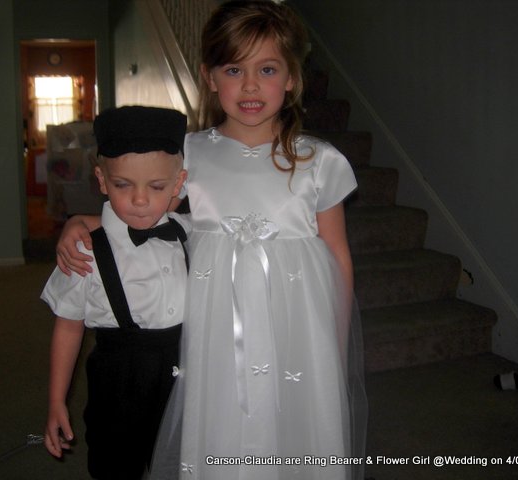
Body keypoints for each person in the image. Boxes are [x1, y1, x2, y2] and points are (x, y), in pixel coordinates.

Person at [56, 2, 368, 479]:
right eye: (232, 69)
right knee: (221, 422)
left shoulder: (320, 162)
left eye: (266, 69)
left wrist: (333, 340)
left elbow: (337, 256)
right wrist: (82, 221)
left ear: (290, 78)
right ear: (208, 76)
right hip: (216, 330)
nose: (248, 85)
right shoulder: (190, 154)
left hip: (294, 328)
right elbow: (145, 207)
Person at [41, 105, 189, 480]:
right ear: (102, 181)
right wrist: (56, 399)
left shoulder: (193, 235)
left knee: (179, 460)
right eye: (123, 184)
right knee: (114, 462)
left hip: (185, 374)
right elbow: (69, 326)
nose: (140, 200)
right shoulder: (84, 250)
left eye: (156, 187)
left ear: (178, 184)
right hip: (118, 382)